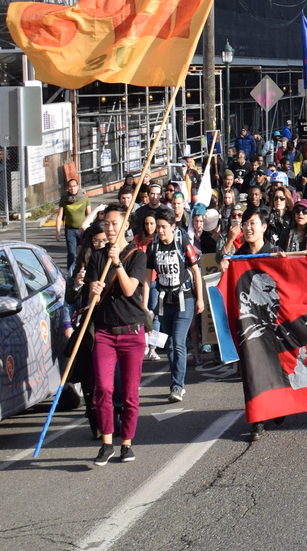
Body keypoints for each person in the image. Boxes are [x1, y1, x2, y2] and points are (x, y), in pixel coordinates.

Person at [83, 207, 146, 465]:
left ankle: (126, 444)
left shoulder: (136, 255)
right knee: (104, 388)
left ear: (125, 226)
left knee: (130, 392)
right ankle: (106, 442)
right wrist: (93, 290)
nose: (109, 229)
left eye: (114, 224)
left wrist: (117, 262)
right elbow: (91, 295)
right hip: (105, 332)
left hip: (131, 332)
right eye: (106, 224)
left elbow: (130, 289)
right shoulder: (97, 257)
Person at [143, 210, 203, 404]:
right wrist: (144, 305)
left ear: (172, 227)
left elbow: (195, 271)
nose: (160, 231)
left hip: (184, 298)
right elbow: (146, 277)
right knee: (169, 344)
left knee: (178, 341)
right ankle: (175, 382)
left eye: (163, 227)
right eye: (157, 227)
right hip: (163, 300)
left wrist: (200, 299)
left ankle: (178, 386)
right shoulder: (153, 247)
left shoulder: (182, 243)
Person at [56, 176, 90, 273]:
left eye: (74, 186)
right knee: (71, 253)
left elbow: (89, 215)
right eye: (70, 187)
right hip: (70, 230)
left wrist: (90, 229)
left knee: (83, 251)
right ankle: (70, 273)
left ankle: (83, 271)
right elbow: (59, 217)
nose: (72, 188)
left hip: (82, 230)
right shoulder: (64, 200)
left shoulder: (85, 198)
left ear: (78, 186)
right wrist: (57, 231)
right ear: (67, 188)